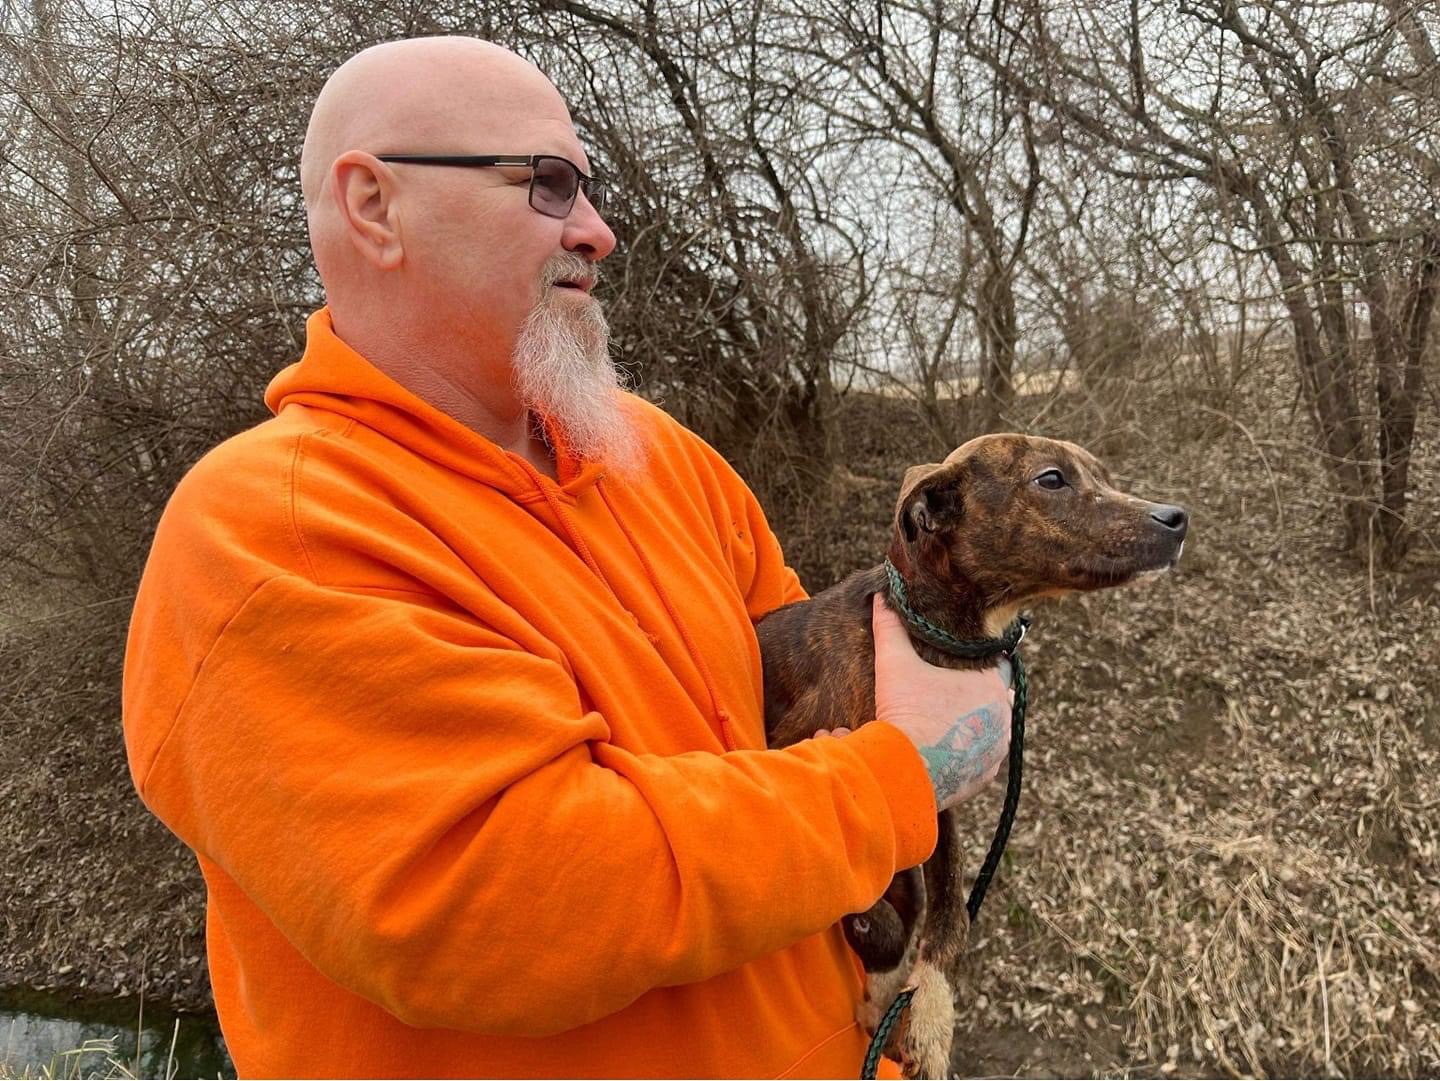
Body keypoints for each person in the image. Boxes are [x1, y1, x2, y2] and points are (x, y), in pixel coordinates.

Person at [121, 36, 1011, 1079]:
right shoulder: (270, 529)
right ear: (372, 206)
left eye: (587, 187)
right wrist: (893, 781)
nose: (598, 229)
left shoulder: (659, 457)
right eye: (546, 184)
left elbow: (809, 709)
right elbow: (512, 900)